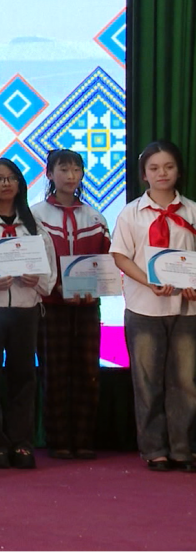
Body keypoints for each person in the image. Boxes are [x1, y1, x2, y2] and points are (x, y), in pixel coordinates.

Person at [110, 140, 196, 472]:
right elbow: (120, 255)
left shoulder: (191, 211)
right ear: (144, 174)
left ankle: (182, 447)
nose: (162, 173)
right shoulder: (131, 213)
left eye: (169, 167)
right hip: (144, 307)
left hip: (186, 310)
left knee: (185, 381)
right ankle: (154, 449)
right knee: (147, 381)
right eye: (155, 168)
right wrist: (148, 281)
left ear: (178, 171)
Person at [0, 159, 56, 470]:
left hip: (24, 310)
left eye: (11, 178)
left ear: (20, 184)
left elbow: (49, 274)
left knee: (23, 378)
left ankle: (21, 442)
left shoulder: (34, 226)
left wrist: (37, 281)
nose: (5, 184)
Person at [31, 149, 110, 460]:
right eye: (63, 169)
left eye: (77, 169)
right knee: (55, 370)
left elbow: (104, 262)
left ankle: (84, 438)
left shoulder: (95, 217)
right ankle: (59, 439)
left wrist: (99, 288)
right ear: (50, 174)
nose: (71, 176)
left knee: (87, 370)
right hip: (51, 304)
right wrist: (57, 286)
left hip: (88, 305)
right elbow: (34, 259)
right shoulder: (36, 216)